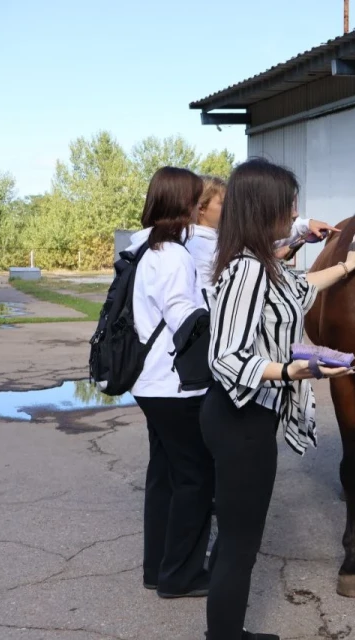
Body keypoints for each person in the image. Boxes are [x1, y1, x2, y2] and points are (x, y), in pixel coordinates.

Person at [201, 158, 355, 640]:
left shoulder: (263, 265)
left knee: (237, 537)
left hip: (248, 417)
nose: (295, 211)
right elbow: (226, 357)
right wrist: (290, 369)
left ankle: (228, 632)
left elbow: (299, 287)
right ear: (266, 208)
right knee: (239, 543)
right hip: (240, 420)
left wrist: (346, 265)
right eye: (289, 204)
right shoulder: (248, 270)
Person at [126, 167, 214, 599]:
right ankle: (181, 575)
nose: (200, 208)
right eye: (197, 201)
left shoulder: (143, 247)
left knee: (163, 475)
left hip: (147, 382)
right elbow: (184, 315)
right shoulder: (175, 256)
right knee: (195, 478)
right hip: (175, 386)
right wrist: (220, 328)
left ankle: (157, 568)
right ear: (183, 204)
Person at [186, 175, 340, 295]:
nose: (229, 208)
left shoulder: (217, 238)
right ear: (201, 208)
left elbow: (265, 240)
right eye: (222, 203)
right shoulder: (198, 245)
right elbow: (208, 294)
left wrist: (305, 226)